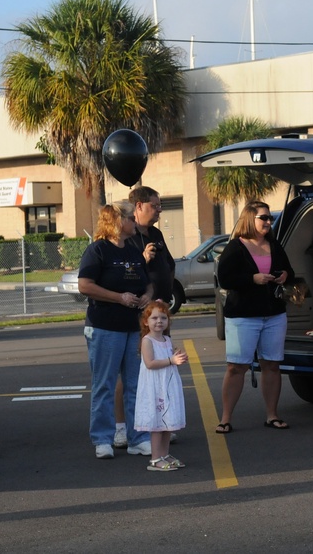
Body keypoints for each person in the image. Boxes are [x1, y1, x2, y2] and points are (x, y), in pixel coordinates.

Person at [78, 201, 154, 459]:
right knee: (105, 385)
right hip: (105, 328)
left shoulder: (134, 251)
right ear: (117, 221)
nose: (135, 221)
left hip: (133, 329)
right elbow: (85, 285)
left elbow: (149, 284)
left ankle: (138, 438)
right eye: (130, 218)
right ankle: (102, 439)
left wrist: (146, 296)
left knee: (135, 385)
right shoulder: (97, 250)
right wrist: (118, 297)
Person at [215, 201, 295, 433]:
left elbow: (289, 270)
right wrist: (252, 279)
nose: (269, 222)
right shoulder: (235, 247)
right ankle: (225, 418)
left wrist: (284, 275)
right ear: (250, 219)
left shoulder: (274, 244)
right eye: (264, 218)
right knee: (236, 367)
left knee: (271, 364)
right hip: (243, 316)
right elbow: (226, 279)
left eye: (270, 218)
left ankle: (272, 415)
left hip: (273, 314)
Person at [113, 186, 177, 449]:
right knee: (130, 373)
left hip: (159, 315)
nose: (159, 209)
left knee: (159, 371)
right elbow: (120, 272)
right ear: (138, 206)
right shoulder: (126, 237)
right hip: (135, 315)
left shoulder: (156, 233)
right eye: (154, 205)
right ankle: (120, 428)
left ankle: (158, 425)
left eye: (160, 205)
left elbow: (168, 266)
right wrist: (142, 258)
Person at [134, 300, 187, 471]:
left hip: (168, 386)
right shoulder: (147, 340)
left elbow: (169, 359)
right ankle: (155, 458)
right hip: (155, 387)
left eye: (163, 318)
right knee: (157, 424)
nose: (159, 321)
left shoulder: (167, 339)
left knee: (167, 424)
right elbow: (150, 363)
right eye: (154, 318)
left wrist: (175, 356)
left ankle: (164, 454)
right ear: (146, 321)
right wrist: (171, 360)